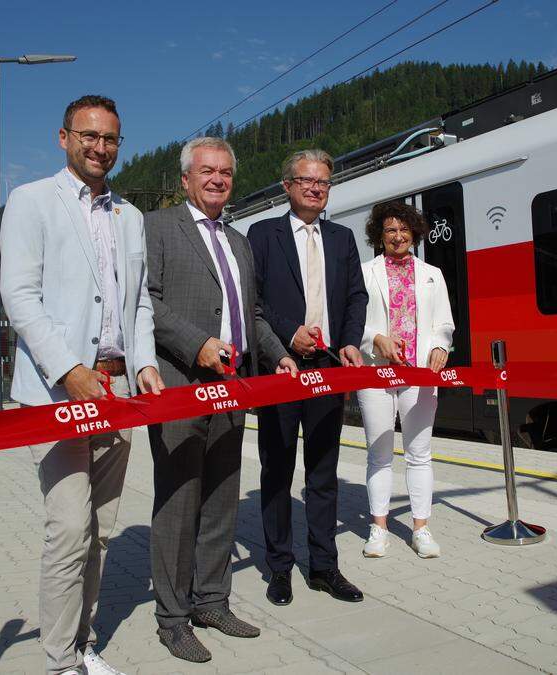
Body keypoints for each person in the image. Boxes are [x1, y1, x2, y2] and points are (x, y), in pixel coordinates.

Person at [0, 94, 163, 675]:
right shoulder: (30, 202)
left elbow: (138, 300)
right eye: (89, 135)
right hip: (57, 394)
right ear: (63, 137)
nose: (100, 147)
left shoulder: (130, 216)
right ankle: (59, 661)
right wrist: (69, 369)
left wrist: (144, 363)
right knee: (69, 528)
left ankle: (81, 643)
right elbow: (19, 296)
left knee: (100, 530)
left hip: (117, 394)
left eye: (111, 139)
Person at [144, 137, 298, 663]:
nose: (217, 179)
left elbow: (251, 314)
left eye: (225, 172)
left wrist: (275, 354)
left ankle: (212, 600)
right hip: (181, 387)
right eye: (207, 171)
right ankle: (172, 618)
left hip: (233, 389)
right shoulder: (158, 227)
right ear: (185, 178)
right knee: (179, 501)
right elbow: (148, 302)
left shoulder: (238, 241)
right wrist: (198, 345)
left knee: (221, 500)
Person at [247, 149, 369, 607]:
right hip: (283, 366)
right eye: (306, 180)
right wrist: (286, 336)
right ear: (287, 185)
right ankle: (279, 568)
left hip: (327, 368)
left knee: (323, 472)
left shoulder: (342, 238)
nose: (316, 188)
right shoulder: (263, 235)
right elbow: (252, 301)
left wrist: (350, 341)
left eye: (323, 182)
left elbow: (355, 296)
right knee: (277, 470)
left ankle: (324, 567)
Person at [355, 201, 454, 559]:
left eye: (404, 230)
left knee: (419, 453)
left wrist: (442, 347)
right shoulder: (365, 273)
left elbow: (444, 324)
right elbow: (353, 323)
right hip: (375, 373)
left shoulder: (432, 274)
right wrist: (374, 340)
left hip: (419, 375)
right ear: (379, 236)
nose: (398, 237)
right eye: (390, 231)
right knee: (379, 455)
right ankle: (378, 528)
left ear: (414, 233)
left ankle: (421, 528)